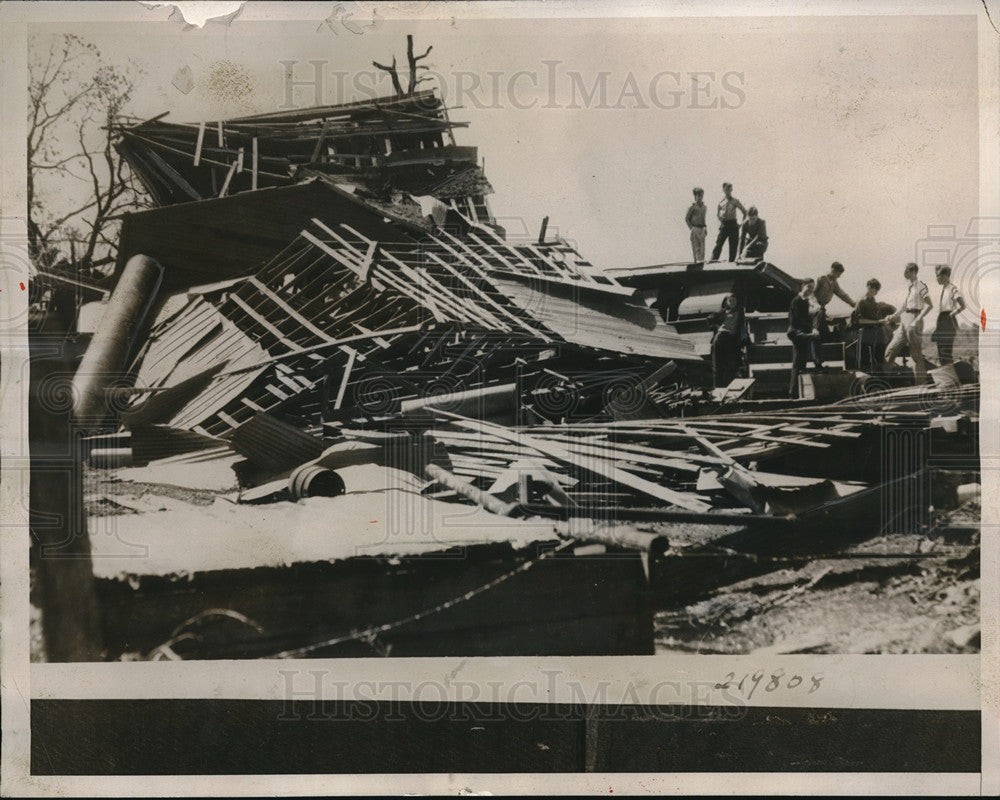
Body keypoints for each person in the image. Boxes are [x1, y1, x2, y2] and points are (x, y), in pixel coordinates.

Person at [883, 262, 933, 385]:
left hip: (915, 317)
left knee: (915, 355)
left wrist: (918, 319)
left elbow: (929, 305)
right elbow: (904, 306)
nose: (905, 274)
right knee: (890, 350)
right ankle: (884, 385)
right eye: (905, 271)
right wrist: (893, 316)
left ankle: (920, 387)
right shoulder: (908, 288)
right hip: (904, 320)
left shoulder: (920, 286)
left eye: (907, 271)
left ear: (914, 272)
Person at [787, 278, 824, 397]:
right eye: (808, 287)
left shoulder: (806, 301)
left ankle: (797, 392)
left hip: (802, 332)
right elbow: (798, 320)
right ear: (803, 286)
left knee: (801, 362)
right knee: (798, 363)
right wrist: (812, 329)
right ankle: (793, 393)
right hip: (796, 332)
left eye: (812, 288)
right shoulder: (797, 301)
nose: (810, 290)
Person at [708, 293, 746, 388]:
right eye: (730, 300)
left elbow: (743, 326)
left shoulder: (740, 312)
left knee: (731, 366)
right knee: (718, 367)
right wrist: (717, 328)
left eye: (734, 300)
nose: (733, 302)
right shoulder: (722, 312)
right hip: (720, 340)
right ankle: (718, 389)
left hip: (732, 341)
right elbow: (709, 319)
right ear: (726, 302)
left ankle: (728, 389)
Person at [930, 265, 965, 365]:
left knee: (946, 352)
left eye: (938, 275)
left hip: (948, 321)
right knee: (941, 352)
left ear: (945, 276)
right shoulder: (943, 289)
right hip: (941, 321)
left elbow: (963, 305)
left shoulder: (952, 289)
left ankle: (950, 377)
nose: (936, 278)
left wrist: (951, 315)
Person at [853, 278, 887, 373]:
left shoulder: (874, 302)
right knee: (865, 360)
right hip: (866, 332)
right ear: (868, 287)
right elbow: (859, 320)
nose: (875, 292)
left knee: (879, 357)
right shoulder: (861, 302)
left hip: (877, 332)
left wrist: (882, 321)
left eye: (877, 290)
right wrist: (877, 322)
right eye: (873, 289)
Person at [813, 262, 855, 336]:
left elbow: (842, 294)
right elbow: (811, 294)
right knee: (820, 331)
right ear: (833, 270)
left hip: (822, 309)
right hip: (815, 309)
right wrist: (815, 306)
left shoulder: (834, 283)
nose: (839, 277)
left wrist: (853, 303)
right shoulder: (821, 279)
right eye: (838, 274)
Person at [710, 182, 746, 262]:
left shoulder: (735, 201)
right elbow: (718, 214)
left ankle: (731, 262)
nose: (728, 191)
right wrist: (721, 221)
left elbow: (744, 211)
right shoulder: (721, 202)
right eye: (726, 189)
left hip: (733, 224)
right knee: (719, 243)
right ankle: (713, 260)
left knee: (733, 246)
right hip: (725, 225)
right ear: (723, 190)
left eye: (729, 189)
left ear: (731, 190)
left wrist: (741, 224)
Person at [685, 187, 708, 263]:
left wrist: (705, 227)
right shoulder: (692, 207)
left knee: (702, 247)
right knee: (696, 247)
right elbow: (687, 218)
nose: (700, 197)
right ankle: (696, 263)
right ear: (695, 196)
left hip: (702, 228)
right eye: (698, 196)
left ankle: (701, 262)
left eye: (701, 195)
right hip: (695, 228)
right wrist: (692, 228)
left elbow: (703, 218)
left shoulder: (704, 207)